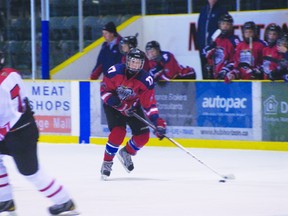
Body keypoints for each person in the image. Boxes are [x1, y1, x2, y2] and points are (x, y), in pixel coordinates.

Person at [0, 51, 77, 215]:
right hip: (22, 126)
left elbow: (5, 119)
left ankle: (65, 202)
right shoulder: (11, 73)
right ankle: (5, 200)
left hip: (18, 133)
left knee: (31, 172)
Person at [100, 48, 167, 180]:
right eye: (133, 61)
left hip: (133, 107)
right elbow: (104, 92)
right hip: (113, 106)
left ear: (142, 64)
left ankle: (126, 152)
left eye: (138, 62)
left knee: (143, 137)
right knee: (118, 133)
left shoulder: (146, 79)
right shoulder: (114, 72)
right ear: (127, 61)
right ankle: (107, 162)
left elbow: (149, 105)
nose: (135, 65)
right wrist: (119, 105)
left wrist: (158, 123)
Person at [202, 13, 240, 79]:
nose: (225, 26)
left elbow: (236, 59)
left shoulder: (234, 40)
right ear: (219, 25)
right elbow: (204, 53)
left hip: (228, 74)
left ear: (231, 26)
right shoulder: (216, 38)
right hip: (216, 72)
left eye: (227, 24)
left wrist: (226, 69)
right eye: (223, 24)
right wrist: (211, 47)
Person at [196, 0, 228, 79]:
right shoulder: (203, 10)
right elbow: (200, 28)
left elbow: (223, 29)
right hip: (203, 47)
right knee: (205, 71)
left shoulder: (221, 10)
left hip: (215, 48)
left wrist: (213, 43)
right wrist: (199, 44)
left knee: (215, 71)